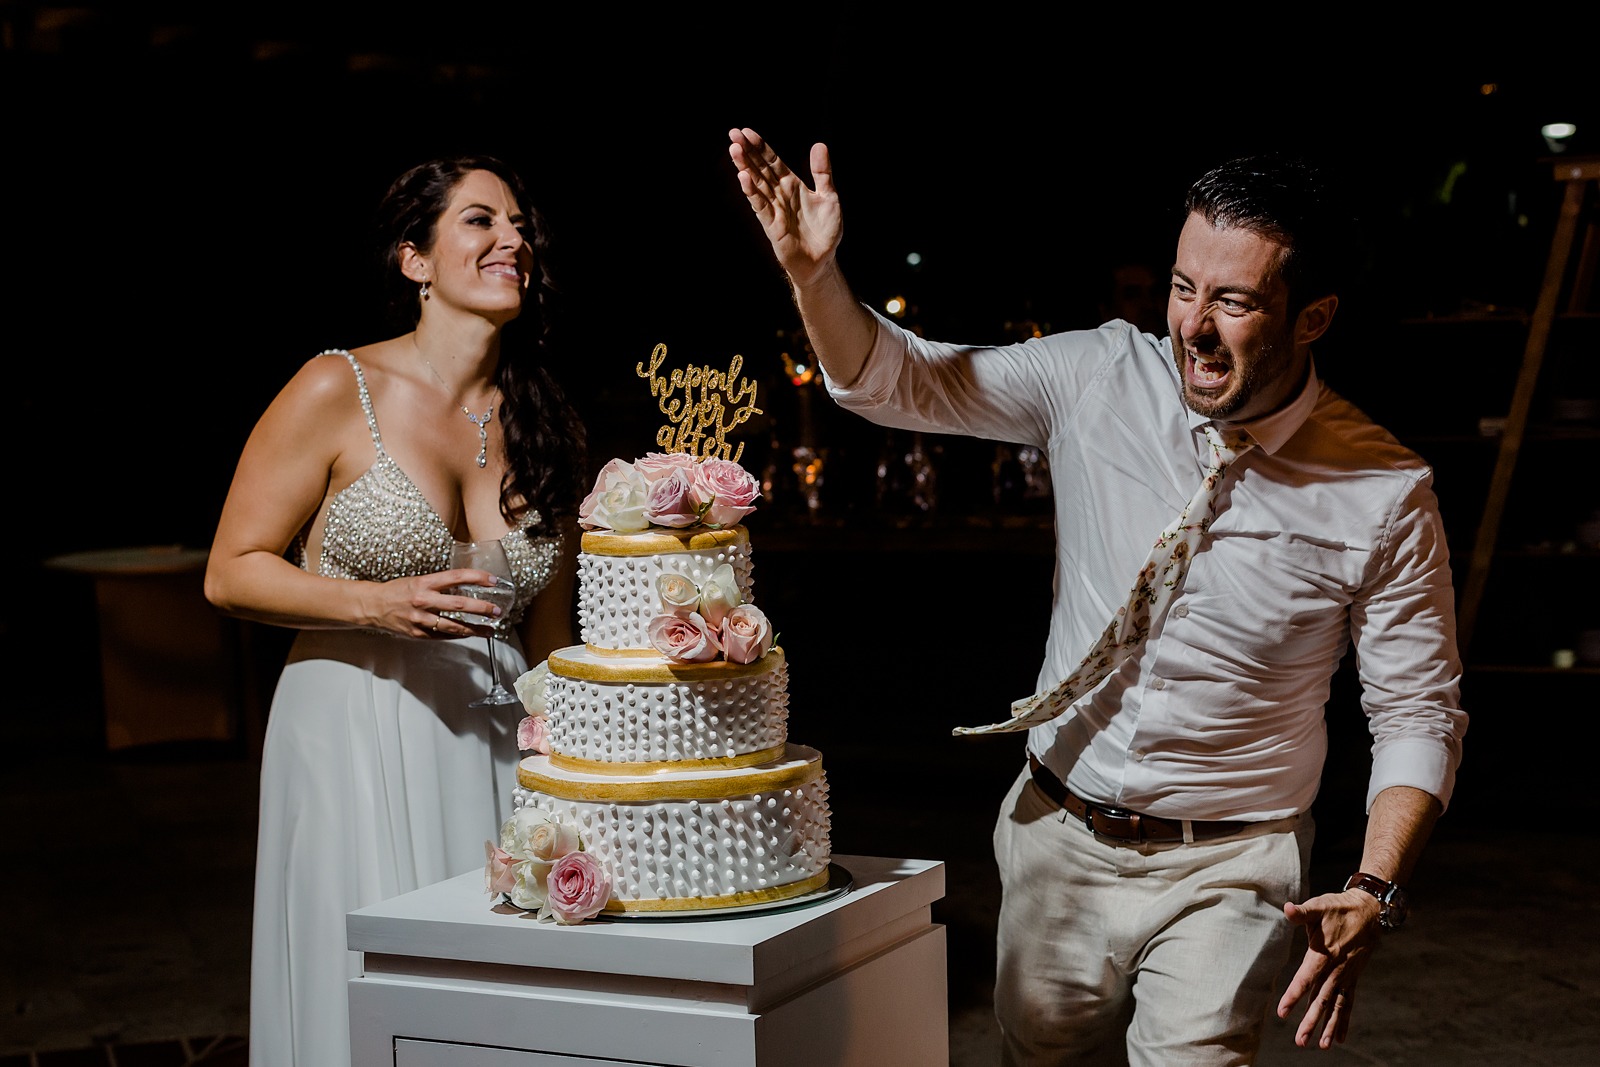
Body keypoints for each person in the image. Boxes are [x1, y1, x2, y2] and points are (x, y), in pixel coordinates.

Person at [728, 129, 1467, 1065]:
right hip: (1054, 835)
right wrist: (815, 276)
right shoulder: (1099, 376)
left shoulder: (1385, 490)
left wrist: (1375, 884)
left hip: (1232, 864)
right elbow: (895, 378)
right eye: (1183, 286)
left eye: (1234, 301)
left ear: (1312, 317)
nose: (1193, 327)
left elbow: (1416, 710)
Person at [205, 155, 586, 1067]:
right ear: (414, 259)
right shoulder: (336, 387)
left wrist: (584, 767)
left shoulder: (540, 418)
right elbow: (231, 571)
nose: (513, 239)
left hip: (495, 743)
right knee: (375, 991)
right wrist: (372, 604)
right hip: (354, 729)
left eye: (520, 223)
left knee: (496, 992)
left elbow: (549, 638)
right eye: (479, 221)